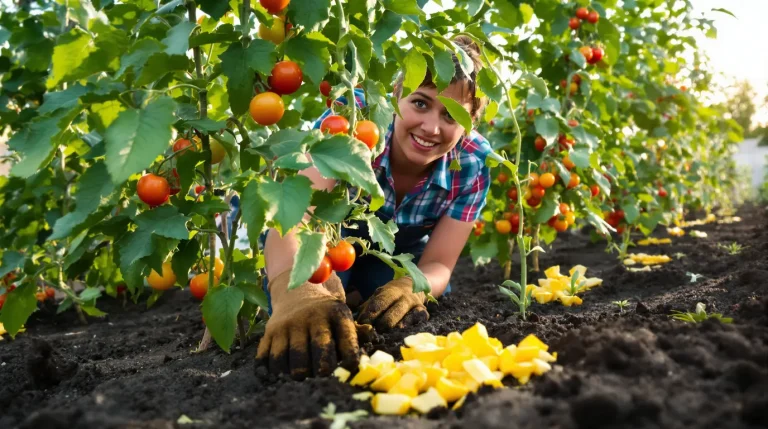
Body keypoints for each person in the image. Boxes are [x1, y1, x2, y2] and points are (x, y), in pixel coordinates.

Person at [256, 36, 493, 380]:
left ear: (469, 125)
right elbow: (298, 216)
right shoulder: (353, 121)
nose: (431, 128)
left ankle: (357, 295)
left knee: (399, 303)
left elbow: (439, 263)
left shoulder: (473, 162)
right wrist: (297, 293)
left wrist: (412, 286)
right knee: (309, 300)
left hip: (394, 256)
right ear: (395, 95)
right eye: (420, 103)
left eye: (450, 115)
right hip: (329, 243)